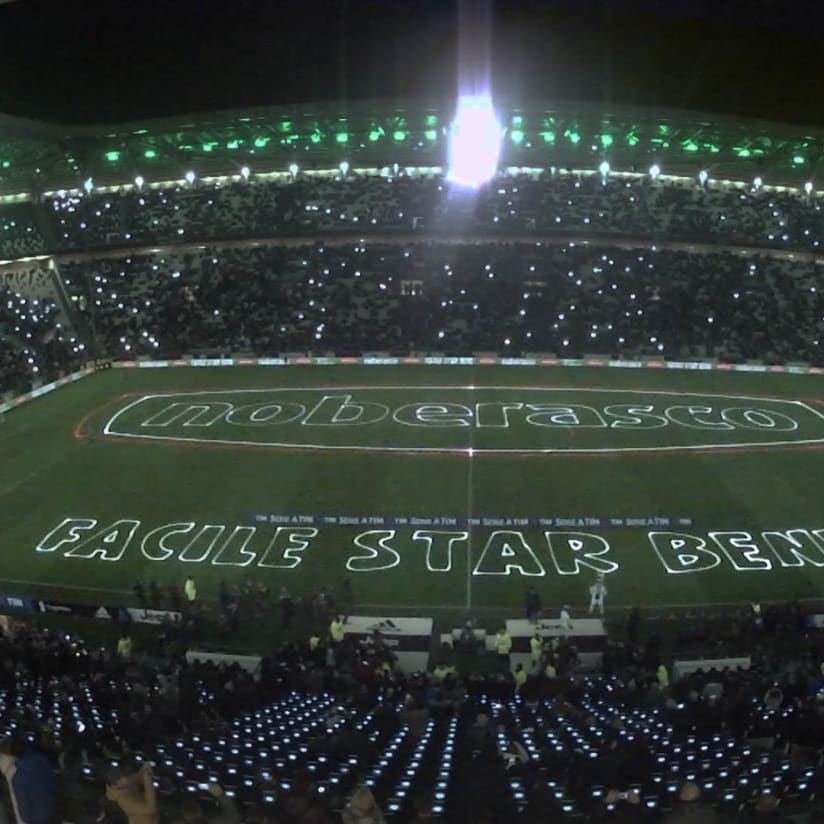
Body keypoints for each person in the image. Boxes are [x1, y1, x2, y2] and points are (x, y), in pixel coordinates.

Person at [0, 737, 57, 824]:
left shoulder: (18, 777)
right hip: (52, 810)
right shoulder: (42, 761)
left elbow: (23, 812)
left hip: (36, 819)